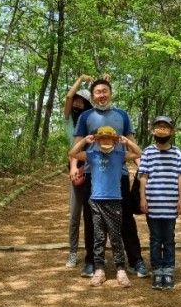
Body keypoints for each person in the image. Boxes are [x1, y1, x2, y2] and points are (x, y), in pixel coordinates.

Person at [74, 77, 149, 279]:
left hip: (119, 175)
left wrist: (142, 170)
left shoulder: (122, 116)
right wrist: (74, 167)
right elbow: (77, 144)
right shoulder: (85, 117)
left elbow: (132, 145)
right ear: (92, 96)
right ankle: (91, 260)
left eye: (105, 91)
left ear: (111, 93)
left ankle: (135, 260)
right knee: (91, 219)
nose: (102, 95)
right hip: (93, 174)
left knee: (125, 219)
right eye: (97, 92)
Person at [69, 126, 142, 287]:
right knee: (99, 237)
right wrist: (84, 141)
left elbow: (138, 154)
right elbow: (73, 154)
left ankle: (120, 269)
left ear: (115, 141)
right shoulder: (92, 155)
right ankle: (99, 269)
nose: (106, 141)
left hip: (115, 201)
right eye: (102, 138)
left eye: (109, 138)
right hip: (95, 201)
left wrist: (127, 141)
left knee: (116, 237)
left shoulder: (119, 155)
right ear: (97, 140)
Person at [138, 116, 181, 290]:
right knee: (155, 239)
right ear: (153, 131)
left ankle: (168, 269)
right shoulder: (147, 152)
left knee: (169, 238)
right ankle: (157, 269)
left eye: (165, 127)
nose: (161, 130)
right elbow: (143, 177)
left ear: (171, 132)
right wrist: (142, 198)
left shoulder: (177, 153)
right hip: (152, 204)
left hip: (170, 204)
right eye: (158, 127)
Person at [63, 75, 93, 268]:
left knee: (92, 213)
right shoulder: (69, 121)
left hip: (93, 166)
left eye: (83, 101)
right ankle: (73, 252)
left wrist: (97, 84)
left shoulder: (91, 120)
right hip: (75, 167)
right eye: (77, 100)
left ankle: (92, 253)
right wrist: (81, 80)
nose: (78, 103)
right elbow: (67, 98)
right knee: (75, 214)